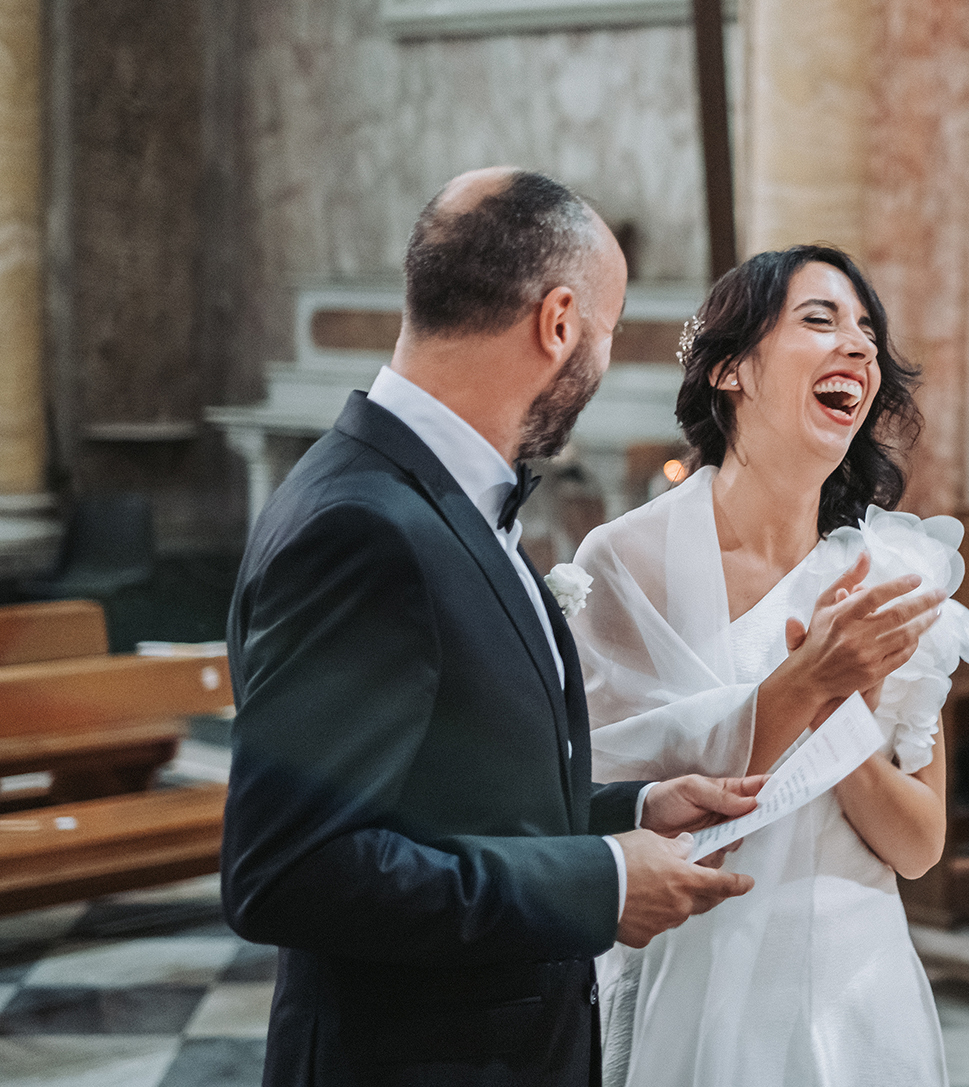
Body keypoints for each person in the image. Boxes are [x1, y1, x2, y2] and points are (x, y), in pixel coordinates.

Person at [223, 168, 763, 1087]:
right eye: (604, 334)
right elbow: (292, 867)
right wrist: (605, 883)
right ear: (558, 322)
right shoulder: (361, 526)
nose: (598, 365)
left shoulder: (441, 498)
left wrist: (629, 811)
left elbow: (442, 801)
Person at [568, 244, 969, 1086]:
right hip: (692, 977)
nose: (860, 347)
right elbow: (599, 805)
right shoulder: (625, 562)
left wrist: (838, 719)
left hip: (855, 982)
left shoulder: (892, 574)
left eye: (868, 331)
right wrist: (811, 684)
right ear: (729, 368)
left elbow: (918, 844)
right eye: (820, 320)